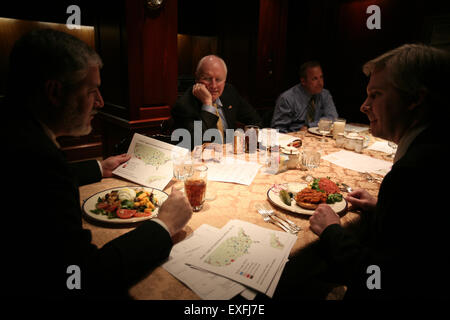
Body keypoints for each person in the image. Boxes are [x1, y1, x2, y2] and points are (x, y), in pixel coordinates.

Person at [1, 29, 192, 299]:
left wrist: (99, 168)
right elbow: (84, 277)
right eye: (92, 91)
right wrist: (165, 226)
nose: (100, 102)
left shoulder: (15, 130)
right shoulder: (37, 158)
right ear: (54, 92)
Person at [307, 44, 450, 298]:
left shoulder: (414, 173)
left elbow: (381, 279)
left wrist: (331, 231)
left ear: (415, 99)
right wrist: (382, 207)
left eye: (376, 95)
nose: (364, 106)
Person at [171, 55, 262, 148]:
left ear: (225, 80)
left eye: (218, 80)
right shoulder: (183, 106)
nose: (214, 86)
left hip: (231, 157)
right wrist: (207, 104)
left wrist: (242, 139)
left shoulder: (229, 92)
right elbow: (194, 143)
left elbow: (255, 120)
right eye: (207, 79)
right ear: (197, 78)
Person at [271, 61, 338, 133]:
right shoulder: (287, 98)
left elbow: (332, 117)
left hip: (316, 137)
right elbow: (278, 129)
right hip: (293, 139)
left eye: (321, 77)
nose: (320, 83)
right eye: (315, 79)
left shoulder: (325, 94)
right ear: (303, 81)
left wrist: (309, 126)